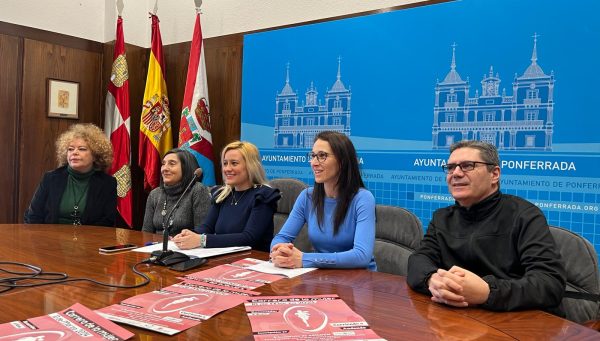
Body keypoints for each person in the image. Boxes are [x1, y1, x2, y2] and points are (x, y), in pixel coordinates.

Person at [407, 140, 566, 315]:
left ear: (495, 174)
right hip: (456, 320)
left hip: (515, 323)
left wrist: (487, 292)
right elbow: (418, 259)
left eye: (467, 166)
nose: (456, 173)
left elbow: (549, 283)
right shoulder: (442, 217)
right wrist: (432, 279)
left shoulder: (525, 215)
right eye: (451, 167)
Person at [270, 131, 376, 270]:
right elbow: (281, 238)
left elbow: (361, 256)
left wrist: (304, 259)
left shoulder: (363, 198)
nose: (314, 163)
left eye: (322, 156)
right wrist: (280, 251)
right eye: (313, 156)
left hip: (358, 281)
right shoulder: (307, 197)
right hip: (321, 276)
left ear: (342, 161)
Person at [172, 141, 280, 251]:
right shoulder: (222, 194)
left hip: (255, 261)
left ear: (250, 166)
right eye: (225, 163)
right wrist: (189, 235)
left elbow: (249, 238)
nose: (227, 169)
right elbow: (207, 227)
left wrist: (201, 240)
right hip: (224, 258)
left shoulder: (263, 196)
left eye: (234, 163)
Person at [24, 123, 117, 226]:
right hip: (50, 238)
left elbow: (108, 221)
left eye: (82, 149)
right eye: (70, 149)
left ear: (95, 155)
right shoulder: (50, 179)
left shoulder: (108, 183)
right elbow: (32, 215)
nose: (74, 153)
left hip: (90, 240)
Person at [142, 148, 211, 236]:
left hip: (185, 248)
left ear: (186, 167)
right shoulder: (155, 194)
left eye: (172, 164)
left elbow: (202, 234)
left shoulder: (198, 190)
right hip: (155, 247)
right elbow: (146, 233)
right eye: (163, 164)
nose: (165, 169)